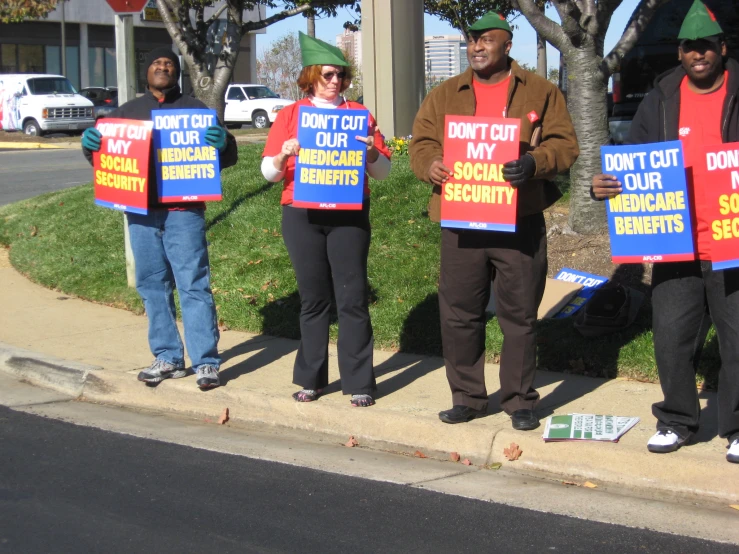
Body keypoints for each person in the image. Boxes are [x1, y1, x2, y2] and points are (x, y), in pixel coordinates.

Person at [409, 12, 578, 429]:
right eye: (471, 40)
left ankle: (520, 400)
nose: (476, 47)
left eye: (486, 40)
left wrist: (535, 162)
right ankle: (467, 396)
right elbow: (422, 141)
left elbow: (565, 144)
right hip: (462, 219)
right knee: (459, 313)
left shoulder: (540, 91)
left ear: (507, 45)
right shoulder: (445, 93)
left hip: (518, 220)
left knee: (519, 315)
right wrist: (430, 164)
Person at [592, 0, 739, 463]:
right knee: (671, 334)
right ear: (680, 52)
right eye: (690, 47)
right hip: (675, 240)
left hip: (731, 239)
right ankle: (677, 419)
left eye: (707, 47)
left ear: (722, 48)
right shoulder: (660, 99)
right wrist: (606, 186)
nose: (699, 54)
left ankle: (736, 426)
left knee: (737, 338)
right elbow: (633, 159)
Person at [81, 47, 238, 390]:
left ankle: (206, 362)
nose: (163, 67)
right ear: (146, 72)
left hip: (184, 212)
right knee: (152, 286)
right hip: (140, 213)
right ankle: (168, 357)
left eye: (169, 63)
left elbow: (227, 156)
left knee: (193, 284)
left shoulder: (196, 110)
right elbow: (106, 160)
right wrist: (91, 146)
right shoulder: (125, 114)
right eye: (156, 63)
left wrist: (223, 143)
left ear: (177, 72)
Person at [261, 33, 391, 407]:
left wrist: (370, 153)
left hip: (349, 213)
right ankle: (311, 378)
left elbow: (382, 173)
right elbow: (268, 173)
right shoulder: (290, 116)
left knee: (352, 298)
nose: (336, 82)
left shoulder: (359, 116)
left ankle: (360, 381)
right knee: (313, 299)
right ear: (312, 76)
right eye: (329, 74)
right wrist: (283, 156)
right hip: (301, 213)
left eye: (342, 76)